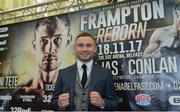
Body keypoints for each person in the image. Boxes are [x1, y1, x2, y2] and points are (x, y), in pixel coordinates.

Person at [4, 15, 71, 111]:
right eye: (43, 41)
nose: (49, 50)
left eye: (58, 40)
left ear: (67, 41)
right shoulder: (17, 94)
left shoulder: (73, 88)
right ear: (35, 45)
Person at [51, 32, 118, 111]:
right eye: (80, 45)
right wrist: (59, 104)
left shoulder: (105, 73)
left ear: (95, 49)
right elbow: (53, 103)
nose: (85, 49)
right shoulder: (63, 73)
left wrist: (102, 103)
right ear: (75, 48)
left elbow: (114, 104)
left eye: (89, 45)